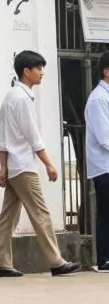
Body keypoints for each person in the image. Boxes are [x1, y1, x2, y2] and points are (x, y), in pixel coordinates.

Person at [0, 50, 79, 278]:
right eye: (38, 68)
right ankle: (56, 261)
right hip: (24, 166)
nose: (41, 72)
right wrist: (49, 164)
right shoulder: (21, 99)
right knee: (41, 213)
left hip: (14, 166)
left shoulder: (10, 97)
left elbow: (2, 138)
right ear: (26, 71)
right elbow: (33, 137)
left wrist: (3, 167)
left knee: (8, 216)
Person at [85, 50, 109, 272]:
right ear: (106, 71)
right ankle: (105, 258)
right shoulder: (98, 99)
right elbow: (104, 138)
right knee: (106, 212)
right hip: (104, 166)